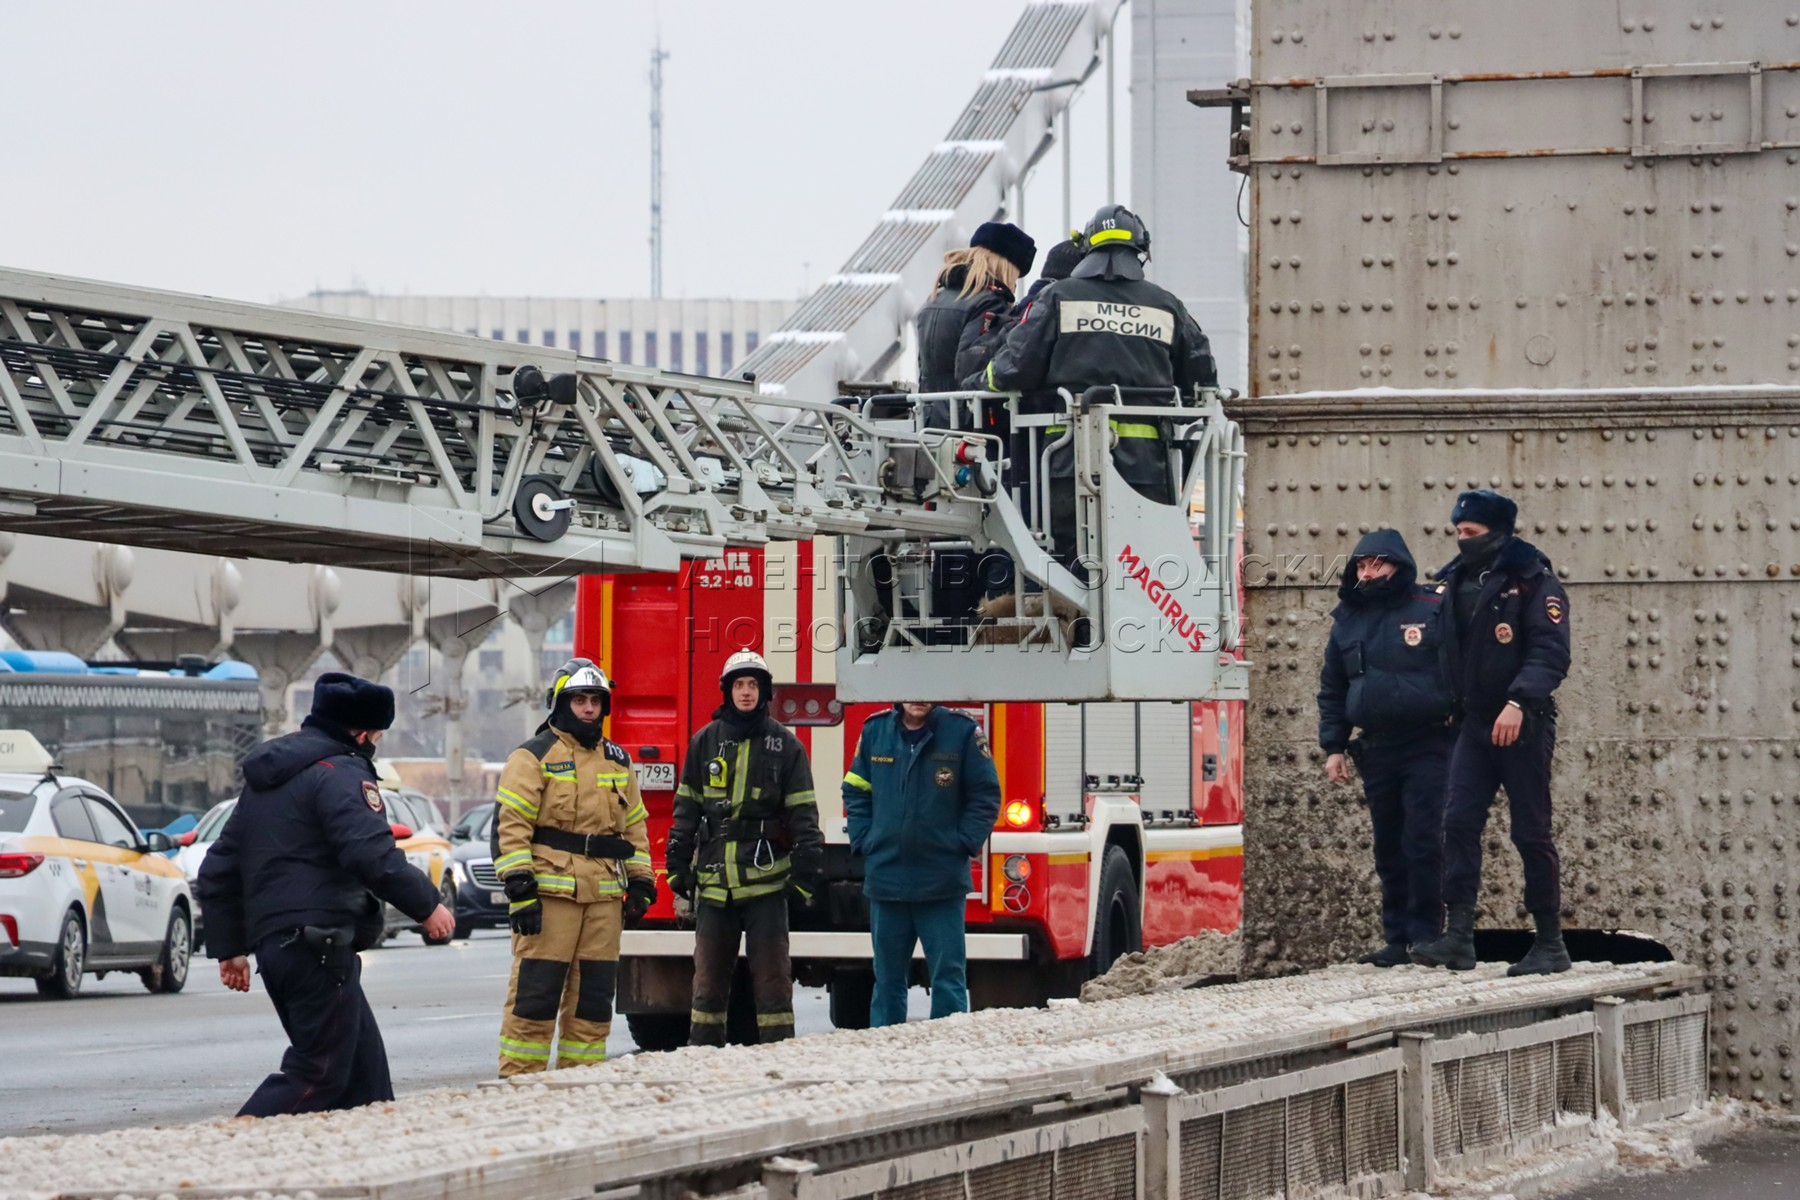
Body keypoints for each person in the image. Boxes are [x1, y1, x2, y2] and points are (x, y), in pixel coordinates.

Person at [196, 672, 453, 1116]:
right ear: (363, 733)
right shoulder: (342, 772)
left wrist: (230, 949)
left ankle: (364, 1170)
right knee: (320, 1071)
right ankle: (235, 1146)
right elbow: (369, 851)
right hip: (317, 945)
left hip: (282, 947)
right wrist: (427, 904)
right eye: (377, 735)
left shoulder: (269, 780)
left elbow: (217, 868)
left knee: (365, 1078)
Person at [968, 204, 1219, 565]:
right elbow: (1201, 384)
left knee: (1070, 568)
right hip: (1148, 473)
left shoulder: (1057, 297)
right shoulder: (1167, 305)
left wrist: (980, 381)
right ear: (1140, 252)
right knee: (1142, 571)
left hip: (1066, 468)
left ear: (1088, 250)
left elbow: (1011, 370)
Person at [1411, 490, 1573, 976]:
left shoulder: (1534, 583)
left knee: (1531, 831)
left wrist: (1519, 701)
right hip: (1474, 725)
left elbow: (1549, 653)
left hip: (1522, 725)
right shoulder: (1454, 584)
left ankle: (1550, 943)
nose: (1462, 541)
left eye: (1471, 534)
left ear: (1497, 532)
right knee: (1457, 823)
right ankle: (1458, 937)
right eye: (1458, 533)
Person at [492, 658, 655, 1074]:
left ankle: (581, 1085)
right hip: (550, 897)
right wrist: (519, 889)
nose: (587, 708)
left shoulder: (618, 761)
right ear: (560, 704)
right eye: (579, 699)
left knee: (594, 1000)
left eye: (595, 700)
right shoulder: (532, 756)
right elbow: (511, 827)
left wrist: (640, 882)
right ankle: (519, 1085)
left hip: (602, 897)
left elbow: (634, 827)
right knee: (536, 994)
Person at [666, 650, 821, 1044]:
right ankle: (702, 1056)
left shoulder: (786, 746)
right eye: (739, 685)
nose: (746, 693)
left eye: (753, 685)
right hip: (716, 883)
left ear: (764, 691)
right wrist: (678, 866)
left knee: (772, 980)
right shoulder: (704, 742)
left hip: (766, 884)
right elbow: (686, 809)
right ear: (727, 691)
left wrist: (804, 877)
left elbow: (805, 817)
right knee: (708, 980)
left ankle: (778, 1054)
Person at [1317, 529, 1456, 967]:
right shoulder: (1348, 619)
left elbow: (1462, 665)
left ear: (1398, 564)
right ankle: (1396, 939)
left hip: (1429, 742)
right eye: (1361, 565)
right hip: (1377, 749)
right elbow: (1333, 688)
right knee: (1388, 846)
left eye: (1377, 564)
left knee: (1423, 840)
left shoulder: (1432, 608)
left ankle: (1426, 936)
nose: (1368, 572)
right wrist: (1334, 747)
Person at [842, 702, 1001, 1026]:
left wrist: (962, 844)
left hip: (941, 883)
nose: (918, 697)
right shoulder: (876, 731)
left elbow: (985, 794)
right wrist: (864, 840)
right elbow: (856, 790)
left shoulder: (963, 732)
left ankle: (948, 1055)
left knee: (948, 978)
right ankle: (885, 1055)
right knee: (886, 982)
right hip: (887, 880)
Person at [915, 221, 1037, 398]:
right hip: (965, 417)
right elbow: (976, 370)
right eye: (1015, 276)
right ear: (1007, 268)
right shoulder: (989, 302)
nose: (1014, 285)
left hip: (931, 412)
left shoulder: (936, 297)